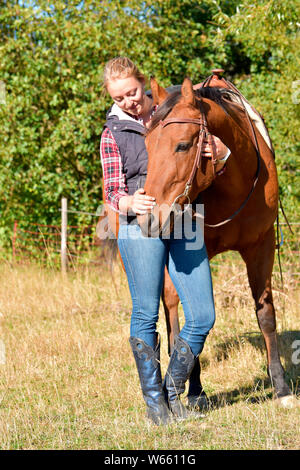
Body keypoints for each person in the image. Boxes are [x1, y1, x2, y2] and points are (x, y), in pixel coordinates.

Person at [100, 57, 229, 425]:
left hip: (184, 221)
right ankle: (156, 405)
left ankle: (173, 390)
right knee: (145, 313)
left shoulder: (171, 112)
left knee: (202, 315)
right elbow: (111, 189)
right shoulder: (113, 133)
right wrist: (127, 200)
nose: (129, 101)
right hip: (138, 225)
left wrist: (221, 153)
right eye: (119, 96)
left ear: (144, 84)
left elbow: (201, 160)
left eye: (133, 92)